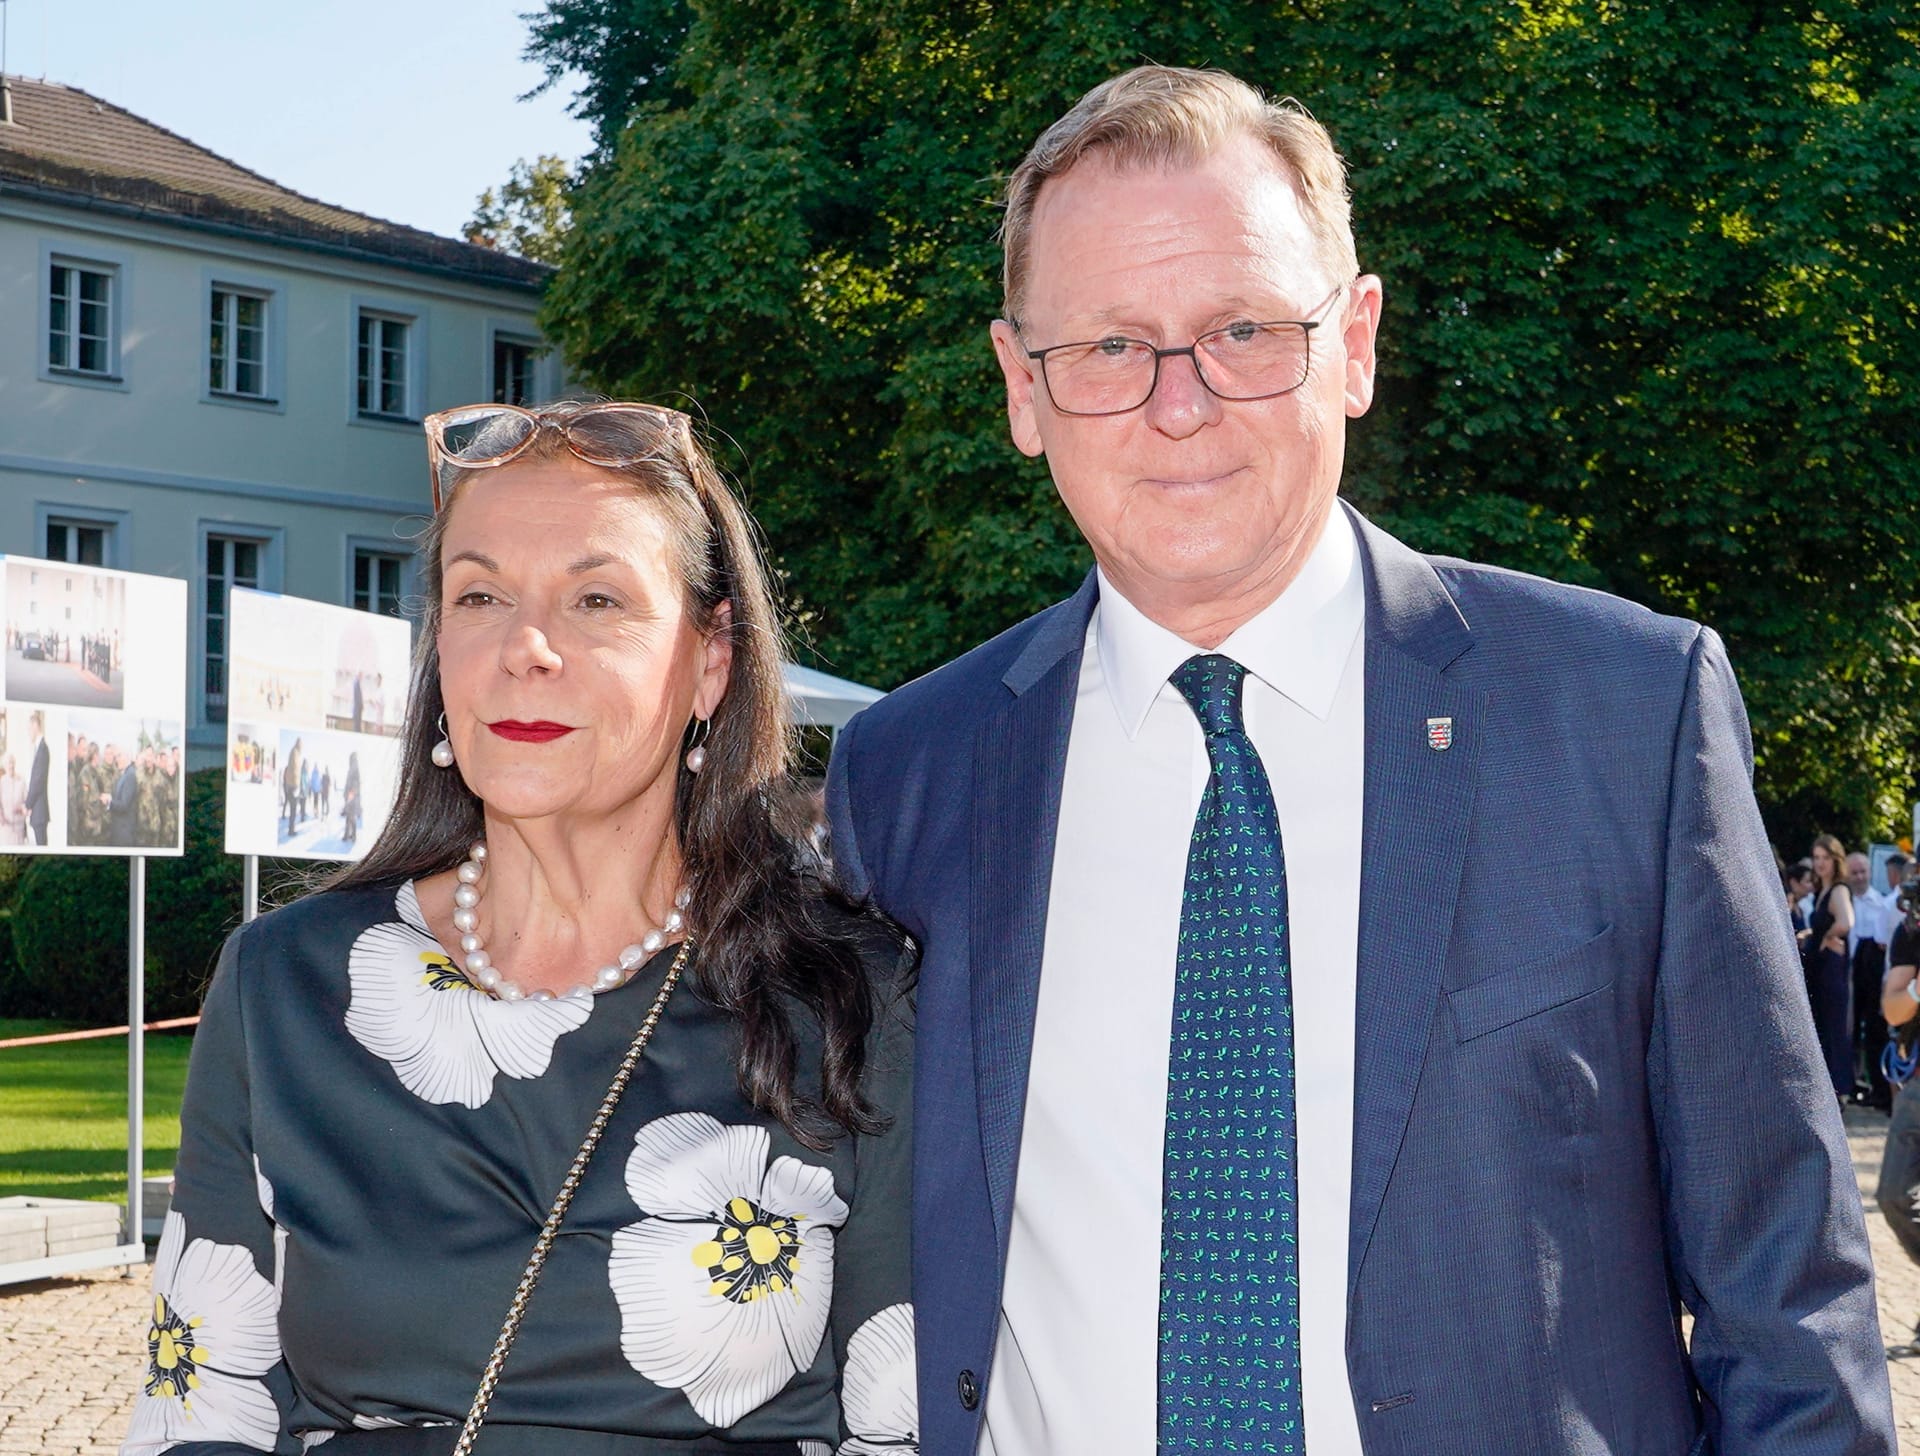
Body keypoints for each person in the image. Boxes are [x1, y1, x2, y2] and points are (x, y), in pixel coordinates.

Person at [826, 65, 1893, 1453]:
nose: (1180, 402)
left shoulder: (1619, 715)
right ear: (1021, 389)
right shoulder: (908, 777)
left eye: (1245, 329)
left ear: (1358, 343)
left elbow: (1786, 1299)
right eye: (1105, 348)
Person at [121, 399, 917, 1456]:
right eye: (480, 593)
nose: (525, 647)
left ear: (710, 662)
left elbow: (902, 1420)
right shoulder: (286, 983)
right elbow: (202, 1407)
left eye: (596, 599)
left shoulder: (849, 994)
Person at [1807, 833, 1857, 1100]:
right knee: (1823, 1025)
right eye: (1816, 858)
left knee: (1834, 1026)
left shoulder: (1838, 889)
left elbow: (1846, 922)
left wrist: (1827, 938)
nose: (1820, 863)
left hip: (1831, 967)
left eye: (1825, 858)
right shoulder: (1822, 890)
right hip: (1820, 966)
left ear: (1835, 860)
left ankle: (1840, 1090)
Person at [23, 711, 48, 847]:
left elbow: (38, 781)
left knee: (41, 844)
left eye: (29, 729)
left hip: (39, 810)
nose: (28, 733)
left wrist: (27, 804)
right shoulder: (39, 748)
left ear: (35, 725)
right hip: (37, 811)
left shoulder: (43, 749)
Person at [0, 753, 25, 846]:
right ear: (5, 766)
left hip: (19, 827)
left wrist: (22, 808)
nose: (11, 766)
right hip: (5, 827)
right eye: (8, 763)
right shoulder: (1, 782)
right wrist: (1, 816)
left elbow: (27, 801)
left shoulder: (21, 781)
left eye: (12, 763)